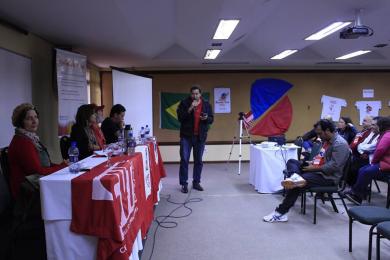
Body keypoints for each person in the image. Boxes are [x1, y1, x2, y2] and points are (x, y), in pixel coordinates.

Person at [263, 119, 350, 223]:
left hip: (328, 177)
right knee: (292, 162)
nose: (318, 136)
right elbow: (320, 157)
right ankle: (294, 178)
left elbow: (334, 166)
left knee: (299, 182)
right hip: (317, 170)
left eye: (319, 133)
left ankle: (280, 213)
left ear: (327, 130)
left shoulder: (340, 144)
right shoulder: (326, 140)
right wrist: (311, 163)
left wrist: (314, 168)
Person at [8, 103, 67, 199]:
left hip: (36, 186)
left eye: (35, 117)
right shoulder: (23, 142)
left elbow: (46, 165)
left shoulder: (31, 139)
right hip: (28, 195)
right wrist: (62, 168)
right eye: (29, 118)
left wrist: (63, 166)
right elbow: (38, 171)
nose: (34, 121)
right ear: (21, 122)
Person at [344, 116, 390, 205]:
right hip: (383, 162)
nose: (374, 127)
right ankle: (357, 194)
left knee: (367, 171)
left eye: (376, 125)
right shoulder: (384, 134)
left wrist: (373, 162)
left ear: (382, 126)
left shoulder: (387, 135)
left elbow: (380, 150)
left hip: (386, 164)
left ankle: (356, 194)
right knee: (362, 169)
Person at [177, 85, 213, 193]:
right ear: (190, 94)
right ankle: (184, 184)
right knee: (184, 160)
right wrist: (190, 108)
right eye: (193, 93)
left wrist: (207, 118)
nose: (195, 95)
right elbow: (180, 118)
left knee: (198, 161)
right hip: (186, 137)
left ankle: (196, 182)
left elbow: (211, 119)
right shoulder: (184, 103)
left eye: (197, 93)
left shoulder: (206, 104)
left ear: (200, 94)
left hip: (200, 137)